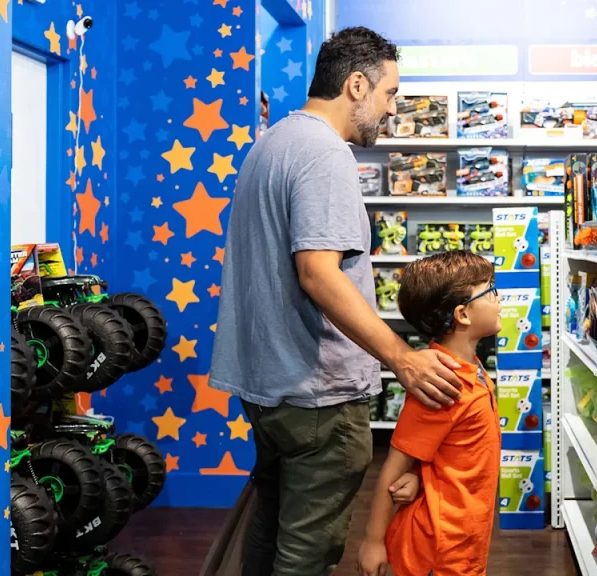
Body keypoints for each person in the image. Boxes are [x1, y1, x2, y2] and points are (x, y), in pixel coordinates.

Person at [209, 27, 466, 576]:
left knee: (270, 531)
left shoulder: (272, 142)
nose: (393, 109)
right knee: (307, 555)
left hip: (269, 386)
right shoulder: (325, 155)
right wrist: (402, 358)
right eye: (390, 93)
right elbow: (318, 274)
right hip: (317, 395)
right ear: (356, 86)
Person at [357, 251, 502, 576]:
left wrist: (420, 478)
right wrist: (373, 541)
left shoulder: (472, 369)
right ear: (463, 314)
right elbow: (393, 469)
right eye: (490, 290)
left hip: (466, 537)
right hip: (438, 548)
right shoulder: (441, 384)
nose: (499, 298)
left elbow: (447, 449)